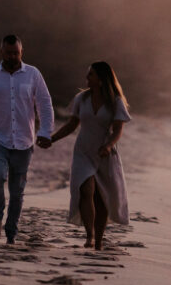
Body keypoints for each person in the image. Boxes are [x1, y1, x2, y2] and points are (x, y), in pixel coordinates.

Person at [0, 35, 54, 245]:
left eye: (16, 53)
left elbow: (44, 103)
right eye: (8, 53)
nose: (12, 56)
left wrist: (45, 131)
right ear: (1, 53)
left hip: (24, 141)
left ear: (21, 52)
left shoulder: (33, 74)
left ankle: (11, 234)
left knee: (17, 191)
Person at [44, 61, 130, 250]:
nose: (86, 79)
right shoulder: (81, 99)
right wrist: (52, 139)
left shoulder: (115, 101)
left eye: (90, 75)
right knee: (85, 189)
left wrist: (108, 146)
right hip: (83, 151)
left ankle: (98, 240)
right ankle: (89, 235)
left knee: (101, 199)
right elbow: (72, 125)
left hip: (105, 154)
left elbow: (117, 130)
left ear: (101, 79)